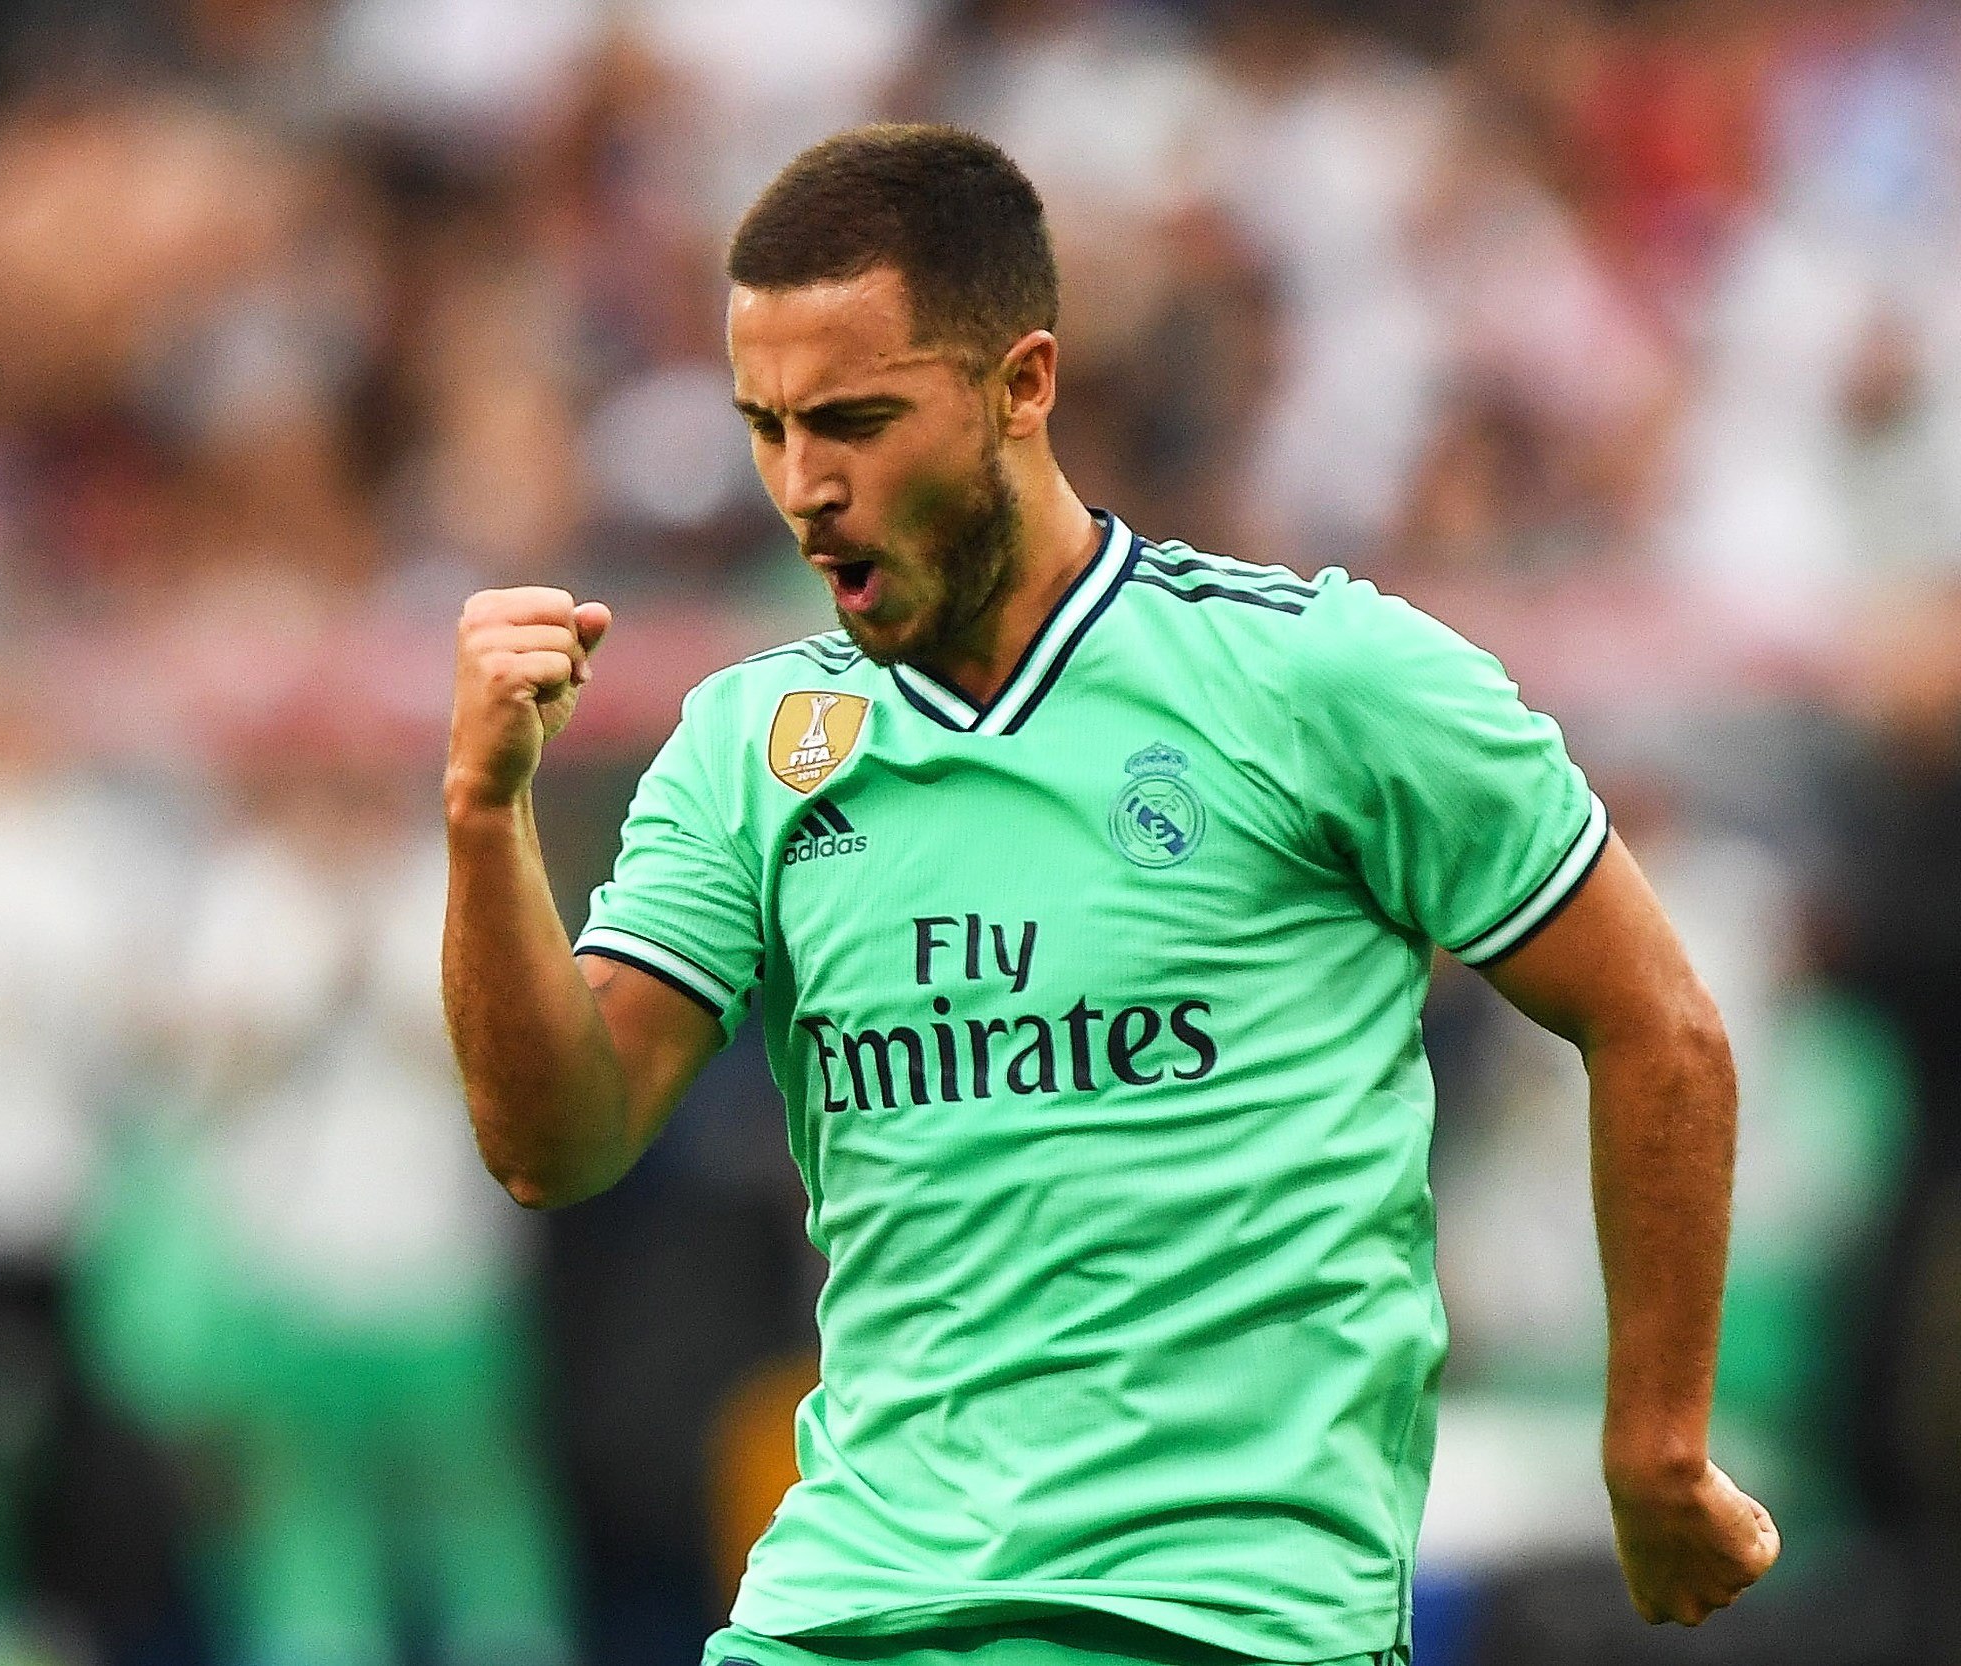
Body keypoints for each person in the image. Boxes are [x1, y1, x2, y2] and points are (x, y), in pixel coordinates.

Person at [442, 124, 1779, 1666]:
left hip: (1217, 1620)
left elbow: (1655, 1017)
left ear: (1024, 383)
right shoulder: (754, 744)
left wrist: (1656, 1443)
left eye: (858, 422)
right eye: (769, 427)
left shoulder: (1320, 682)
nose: (805, 487)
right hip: (844, 1610)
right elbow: (558, 1137)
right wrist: (486, 822)